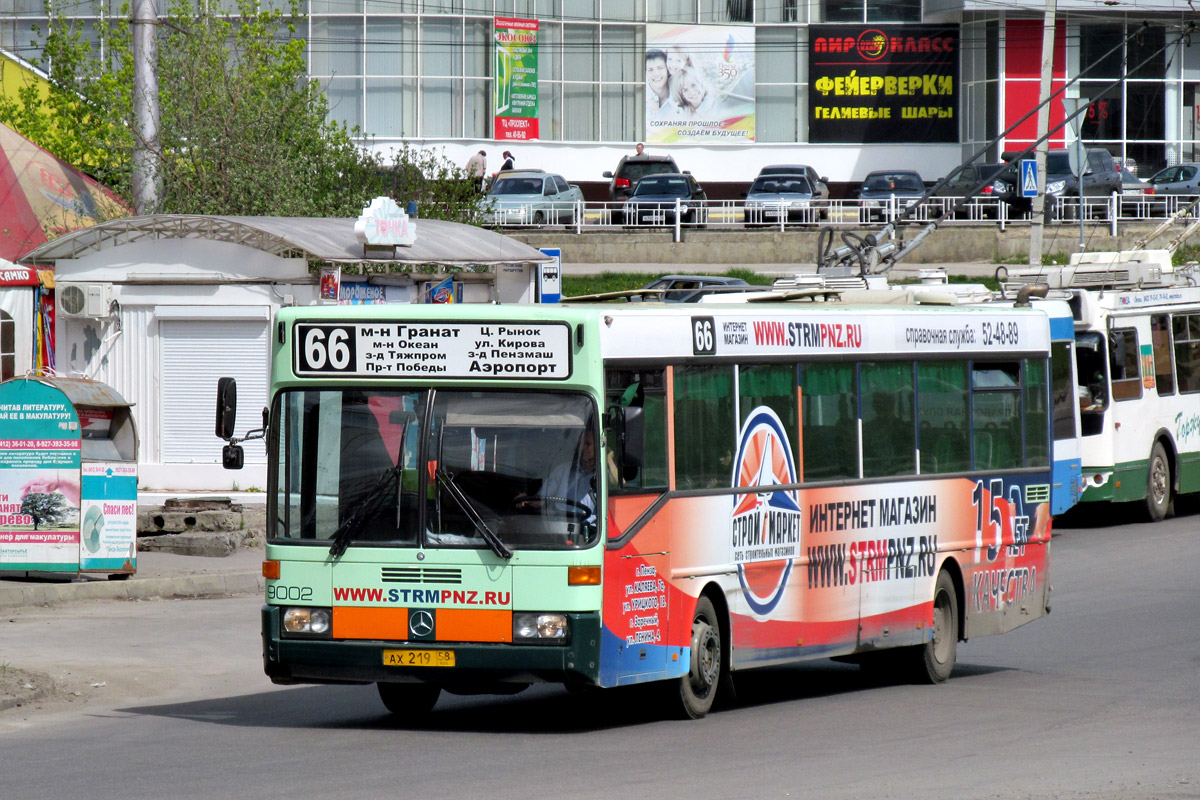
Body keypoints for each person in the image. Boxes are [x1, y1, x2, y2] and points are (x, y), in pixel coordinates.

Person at [645, 49, 677, 121]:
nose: (656, 74)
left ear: (667, 69)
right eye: (650, 70)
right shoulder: (640, 99)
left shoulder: (679, 95)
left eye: (660, 68)